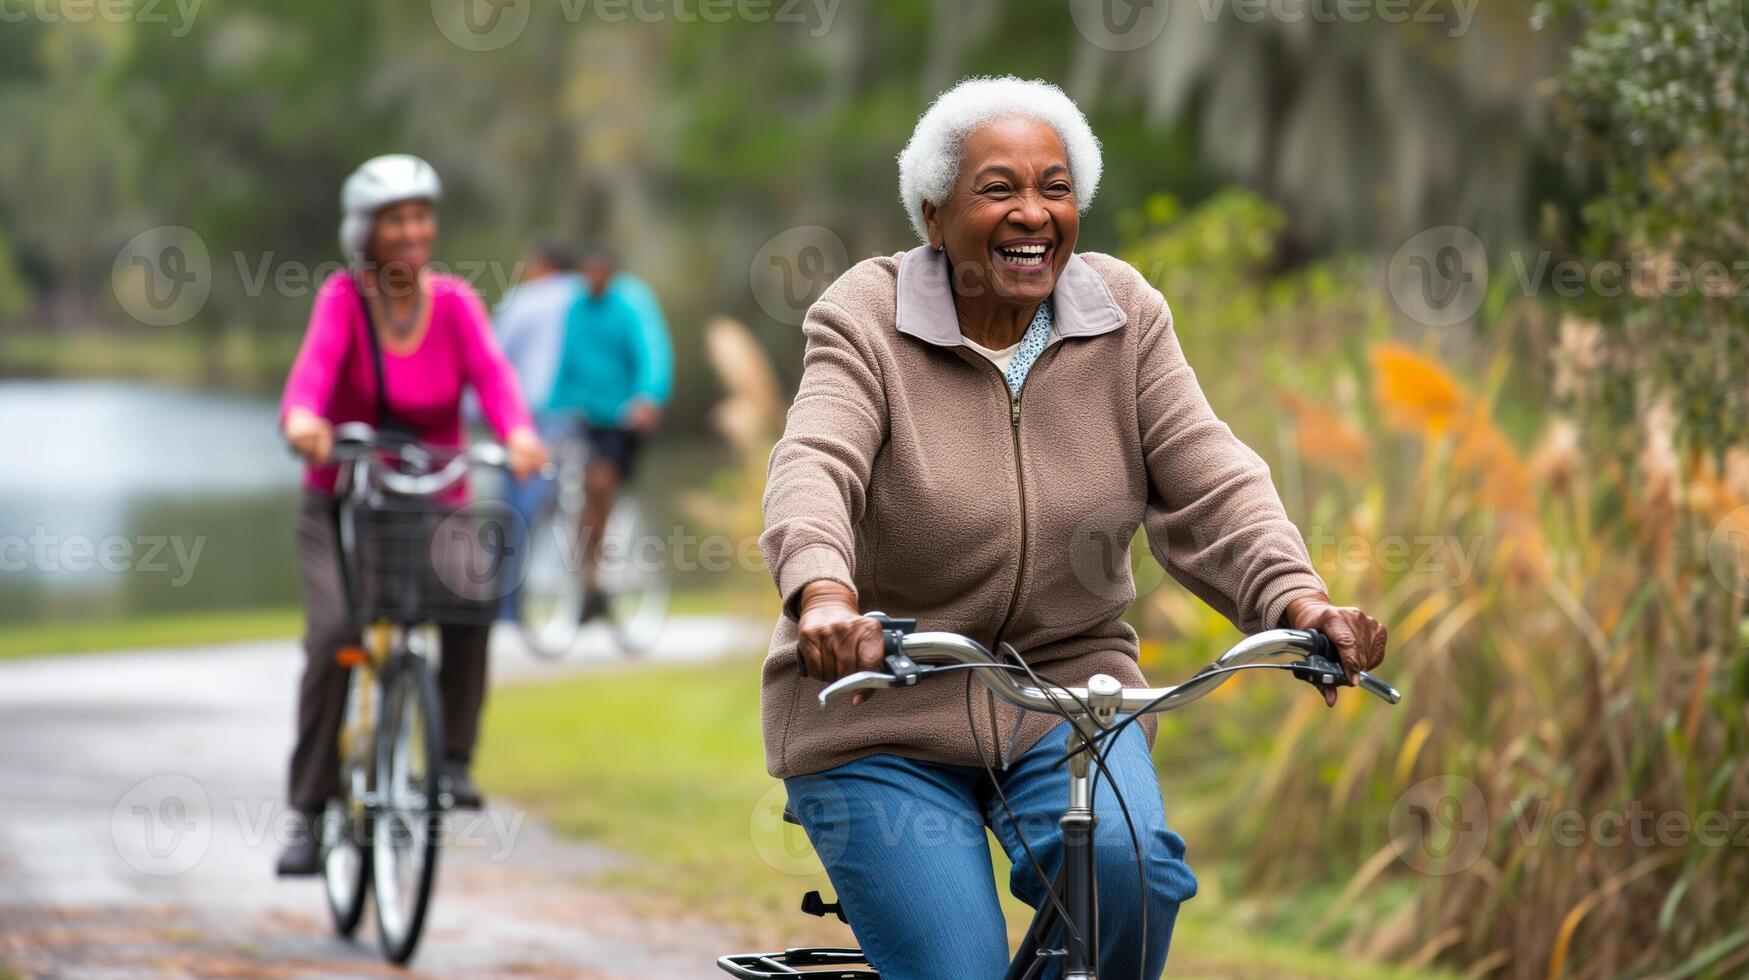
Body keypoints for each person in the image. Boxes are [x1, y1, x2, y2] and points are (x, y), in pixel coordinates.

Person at [760, 77, 1388, 978]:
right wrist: (823, 596)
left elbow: (1210, 476)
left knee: (1133, 882)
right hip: (879, 701)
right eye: (998, 189)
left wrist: (1297, 600)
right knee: (954, 967)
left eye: (1054, 188)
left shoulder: (1123, 315)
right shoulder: (868, 315)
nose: (1032, 214)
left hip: (1067, 700)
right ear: (933, 217)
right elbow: (815, 461)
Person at [276, 154, 547, 876]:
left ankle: (452, 759)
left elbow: (493, 378)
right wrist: (304, 418)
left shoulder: (455, 302)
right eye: (395, 219)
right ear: (363, 230)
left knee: (472, 596)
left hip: (432, 500)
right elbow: (313, 370)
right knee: (337, 636)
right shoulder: (342, 298)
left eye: (420, 215)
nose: (411, 230)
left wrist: (518, 433)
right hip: (343, 496)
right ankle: (307, 812)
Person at [546, 245, 673, 618]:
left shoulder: (632, 302)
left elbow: (653, 351)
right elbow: (566, 360)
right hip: (587, 412)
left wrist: (649, 396)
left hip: (623, 415)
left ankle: (599, 572)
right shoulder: (576, 308)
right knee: (577, 489)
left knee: (601, 482)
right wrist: (549, 407)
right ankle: (587, 576)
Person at [489, 239, 584, 620]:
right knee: (567, 501)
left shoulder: (522, 300)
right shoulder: (586, 296)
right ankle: (576, 597)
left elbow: (494, 358)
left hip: (522, 415)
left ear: (542, 264)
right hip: (573, 412)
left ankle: (509, 607)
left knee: (516, 508)